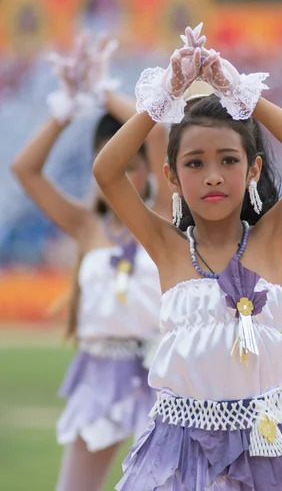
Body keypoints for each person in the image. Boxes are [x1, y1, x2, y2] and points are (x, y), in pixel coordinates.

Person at [93, 24, 282, 490]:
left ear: (253, 167)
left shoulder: (271, 239)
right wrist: (164, 95)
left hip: (264, 449)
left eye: (229, 160)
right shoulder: (166, 247)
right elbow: (107, 170)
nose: (213, 176)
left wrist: (236, 91)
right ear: (172, 178)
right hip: (178, 454)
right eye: (195, 163)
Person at [11, 34, 170, 491]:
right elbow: (25, 169)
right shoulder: (86, 226)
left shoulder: (161, 219)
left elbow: (156, 133)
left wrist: (101, 91)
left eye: (126, 163)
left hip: (157, 370)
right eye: (102, 162)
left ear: (146, 169)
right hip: (98, 369)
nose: (115, 173)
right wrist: (68, 107)